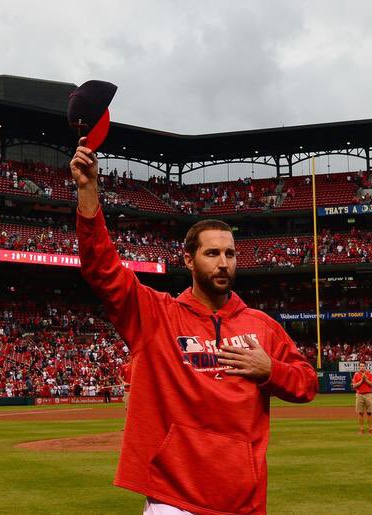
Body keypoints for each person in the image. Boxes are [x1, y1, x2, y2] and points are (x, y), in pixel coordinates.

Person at [70, 138, 318, 515]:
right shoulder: (155, 315)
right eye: (212, 253)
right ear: (188, 259)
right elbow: (102, 271)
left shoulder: (262, 325)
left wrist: (271, 371)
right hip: (175, 498)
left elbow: (307, 383)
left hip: (243, 499)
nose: (223, 263)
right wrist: (88, 193)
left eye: (230, 254)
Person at [351, 362, 372, 434]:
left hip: (368, 394)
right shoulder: (356, 375)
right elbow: (354, 386)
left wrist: (366, 379)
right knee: (360, 413)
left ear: (365, 367)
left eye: (363, 366)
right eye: (360, 366)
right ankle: (361, 429)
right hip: (359, 395)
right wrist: (362, 380)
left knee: (369, 412)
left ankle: (370, 428)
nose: (362, 367)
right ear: (359, 367)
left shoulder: (369, 374)